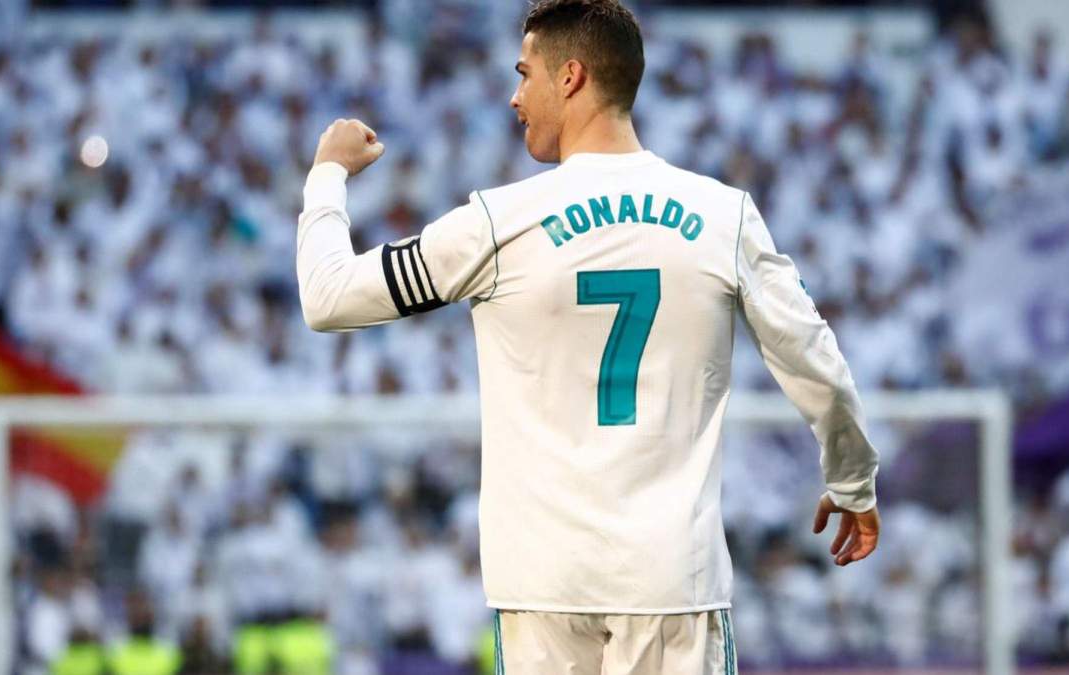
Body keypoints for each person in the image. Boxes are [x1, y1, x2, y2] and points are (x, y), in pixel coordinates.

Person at [295, 1, 881, 672]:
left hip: (543, 586)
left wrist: (328, 175)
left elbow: (327, 296)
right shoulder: (724, 217)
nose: (514, 98)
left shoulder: (499, 222)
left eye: (524, 74)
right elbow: (817, 361)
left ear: (570, 76)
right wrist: (852, 479)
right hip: (670, 582)